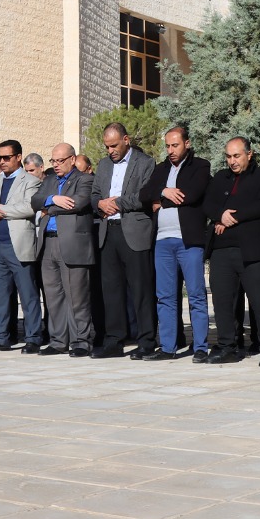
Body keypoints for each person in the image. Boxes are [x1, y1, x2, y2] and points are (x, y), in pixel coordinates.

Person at [203, 137, 260, 365]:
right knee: (223, 301)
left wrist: (231, 217)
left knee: (259, 300)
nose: (232, 161)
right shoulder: (220, 177)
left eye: (237, 156)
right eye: (228, 156)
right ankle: (227, 346)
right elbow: (208, 204)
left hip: (250, 248)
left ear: (249, 154)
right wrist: (220, 216)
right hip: (222, 248)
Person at [140, 126, 212, 362]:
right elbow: (144, 194)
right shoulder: (160, 169)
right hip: (162, 241)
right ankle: (168, 347)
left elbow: (190, 195)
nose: (170, 150)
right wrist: (164, 191)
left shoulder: (200, 166)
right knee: (165, 296)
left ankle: (200, 346)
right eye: (167, 146)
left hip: (188, 239)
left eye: (175, 145)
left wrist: (161, 200)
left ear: (187, 144)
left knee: (196, 294)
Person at [91, 123, 157, 359]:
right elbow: (94, 194)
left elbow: (144, 196)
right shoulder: (103, 165)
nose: (110, 151)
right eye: (107, 146)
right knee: (111, 290)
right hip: (108, 232)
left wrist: (116, 203)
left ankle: (146, 340)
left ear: (126, 139)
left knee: (141, 289)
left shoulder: (146, 163)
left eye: (114, 145)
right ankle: (114, 340)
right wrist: (100, 204)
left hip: (134, 232)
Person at [32, 144, 96, 357]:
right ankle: (58, 340)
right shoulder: (49, 180)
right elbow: (34, 201)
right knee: (53, 296)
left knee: (77, 297)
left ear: (72, 159)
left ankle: (81, 341)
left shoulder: (84, 179)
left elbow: (78, 203)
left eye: (60, 161)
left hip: (72, 244)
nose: (56, 165)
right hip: (48, 243)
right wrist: (53, 199)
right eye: (53, 161)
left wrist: (48, 208)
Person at [0, 140, 43, 352]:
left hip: (18, 245)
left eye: (7, 158)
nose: (2, 162)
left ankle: (33, 338)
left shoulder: (30, 180)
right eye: (0, 158)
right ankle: (0, 338)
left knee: (28, 294)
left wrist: (0, 210)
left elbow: (29, 206)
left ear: (18, 157)